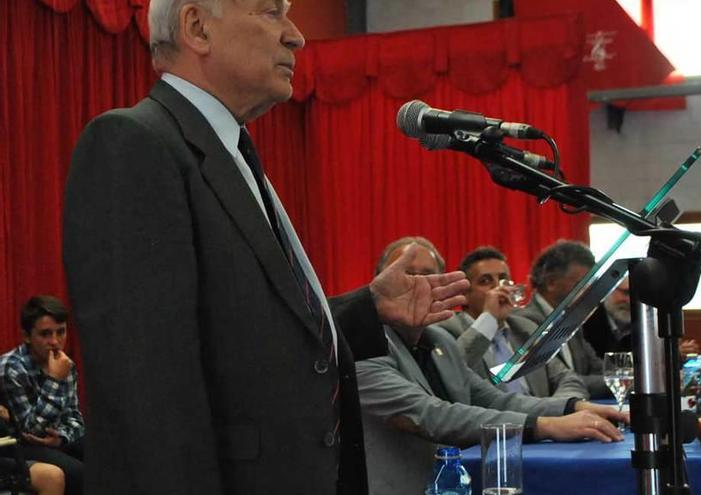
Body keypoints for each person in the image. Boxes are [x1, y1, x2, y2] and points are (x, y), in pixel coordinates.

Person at [62, 1, 468, 493]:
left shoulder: (231, 152)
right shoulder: (134, 144)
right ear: (197, 27)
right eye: (271, 12)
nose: (295, 36)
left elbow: (242, 335)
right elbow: (148, 395)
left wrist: (368, 307)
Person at [358, 238, 628, 494]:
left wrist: (574, 407)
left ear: (442, 285)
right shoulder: (362, 343)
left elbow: (495, 400)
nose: (416, 284)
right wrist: (545, 425)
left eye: (427, 275)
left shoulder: (438, 340)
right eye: (406, 274)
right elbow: (430, 415)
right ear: (379, 283)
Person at [432, 246, 588, 399]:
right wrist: (489, 320)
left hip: (542, 419)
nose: (499, 288)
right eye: (485, 281)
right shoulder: (447, 329)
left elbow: (568, 378)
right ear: (465, 292)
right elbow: (450, 376)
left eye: (503, 279)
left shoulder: (525, 327)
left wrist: (556, 409)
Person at [0, 296, 83, 495]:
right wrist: (54, 380)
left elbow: (75, 418)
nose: (55, 342)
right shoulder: (11, 368)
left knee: (113, 457)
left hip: (55, 439)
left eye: (60, 332)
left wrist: (62, 438)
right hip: (20, 445)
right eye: (45, 334)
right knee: (79, 473)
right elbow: (30, 431)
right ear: (27, 336)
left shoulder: (64, 364)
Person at [518, 240, 611, 398]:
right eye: (581, 284)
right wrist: (626, 379)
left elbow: (600, 370)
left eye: (591, 283)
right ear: (551, 283)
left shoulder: (571, 319)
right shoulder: (522, 324)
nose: (589, 291)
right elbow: (557, 383)